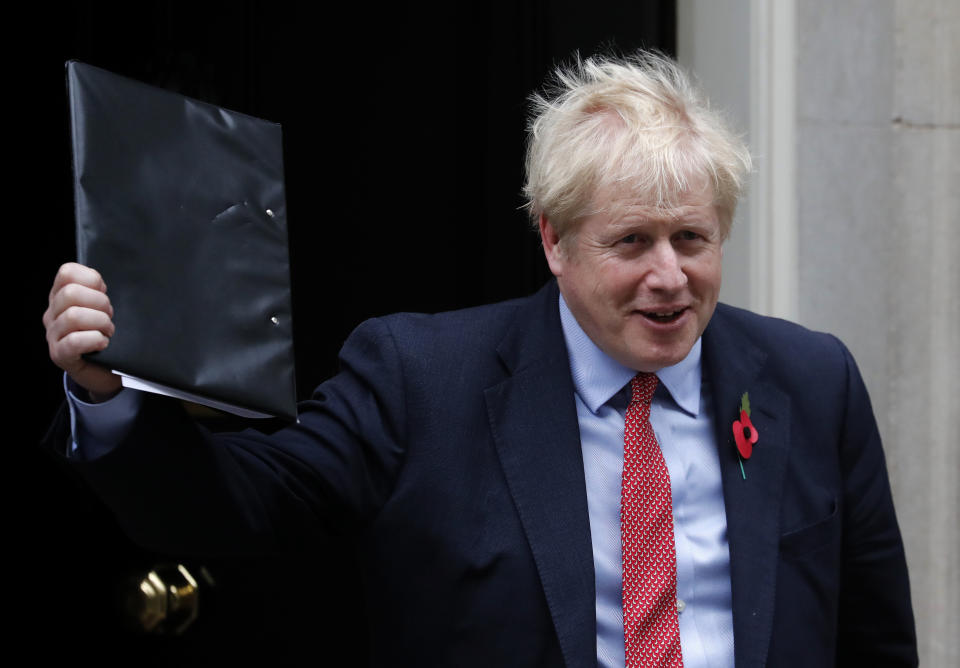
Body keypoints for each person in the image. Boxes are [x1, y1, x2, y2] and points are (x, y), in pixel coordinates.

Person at [43, 52, 917, 667]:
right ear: (554, 240)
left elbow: (875, 638)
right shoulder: (422, 379)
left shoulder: (810, 381)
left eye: (693, 238)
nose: (669, 277)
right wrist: (108, 392)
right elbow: (239, 506)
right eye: (632, 241)